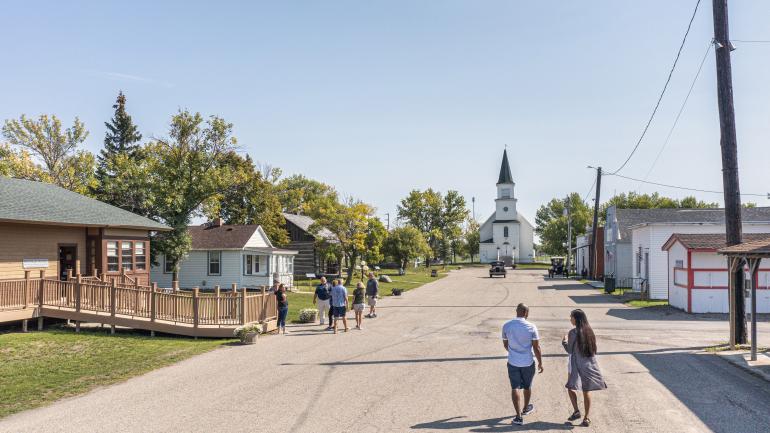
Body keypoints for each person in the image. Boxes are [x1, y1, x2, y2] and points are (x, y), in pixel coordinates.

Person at [562, 309, 607, 427]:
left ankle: (576, 411)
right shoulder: (589, 331)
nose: (570, 319)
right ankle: (587, 418)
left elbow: (569, 350)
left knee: (571, 387)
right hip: (588, 364)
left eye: (571, 317)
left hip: (575, 364)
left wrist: (564, 341)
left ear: (576, 319)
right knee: (586, 391)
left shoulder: (572, 332)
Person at [502, 303, 543, 426]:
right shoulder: (531, 327)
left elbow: (505, 344)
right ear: (526, 313)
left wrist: (514, 353)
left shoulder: (507, 326)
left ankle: (518, 417)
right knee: (527, 386)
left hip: (513, 362)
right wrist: (540, 362)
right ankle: (525, 408)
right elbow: (536, 347)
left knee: (515, 387)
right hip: (528, 362)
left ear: (516, 311)